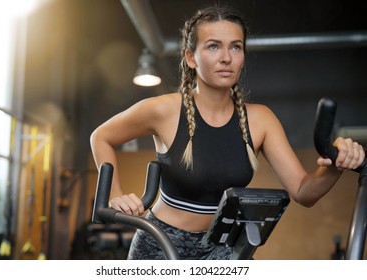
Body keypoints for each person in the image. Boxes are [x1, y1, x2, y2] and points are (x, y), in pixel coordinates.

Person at [90, 5, 365, 260]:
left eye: (236, 47)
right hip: (160, 245)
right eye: (213, 46)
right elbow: (101, 136)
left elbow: (304, 192)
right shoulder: (164, 110)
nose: (226, 58)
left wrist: (335, 165)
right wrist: (115, 195)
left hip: (224, 248)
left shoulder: (261, 119)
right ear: (191, 58)